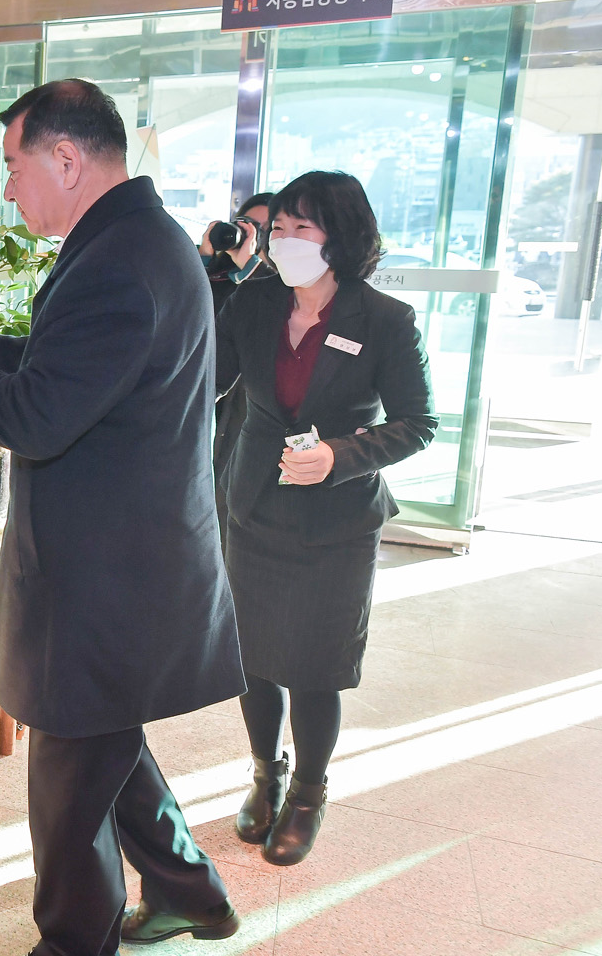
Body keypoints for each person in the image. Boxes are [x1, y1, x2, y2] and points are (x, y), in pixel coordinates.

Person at [0, 79, 245, 956]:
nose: (9, 188)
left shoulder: (118, 260)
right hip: (123, 563)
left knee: (68, 793)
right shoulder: (135, 240)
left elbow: (41, 415)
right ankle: (191, 892)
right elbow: (78, 371)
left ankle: (76, 942)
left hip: (108, 579)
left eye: (14, 166)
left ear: (67, 159)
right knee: (102, 748)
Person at [215, 171, 436, 866]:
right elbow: (203, 376)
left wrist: (342, 455)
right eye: (276, 228)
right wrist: (216, 278)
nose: (284, 240)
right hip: (254, 504)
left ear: (339, 237)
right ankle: (266, 775)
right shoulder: (255, 303)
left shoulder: (385, 319)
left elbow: (418, 423)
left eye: (300, 228)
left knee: (315, 666)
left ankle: (308, 795)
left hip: (337, 521)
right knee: (253, 659)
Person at [205, 193, 276, 547]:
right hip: (213, 397)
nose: (253, 235)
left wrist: (250, 264)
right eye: (248, 225)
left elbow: (274, 307)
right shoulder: (222, 277)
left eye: (266, 229)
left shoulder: (282, 283)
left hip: (248, 411)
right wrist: (205, 258)